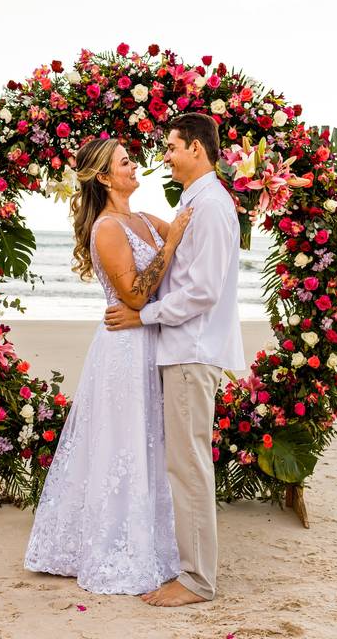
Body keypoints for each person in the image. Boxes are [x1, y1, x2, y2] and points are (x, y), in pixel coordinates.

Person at [24, 138, 193, 595]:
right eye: (124, 162)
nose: (134, 165)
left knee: (150, 442)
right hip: (123, 349)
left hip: (152, 338)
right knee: (122, 443)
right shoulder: (107, 228)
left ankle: (155, 542)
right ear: (103, 177)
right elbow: (135, 295)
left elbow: (190, 239)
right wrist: (172, 240)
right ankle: (110, 547)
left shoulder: (142, 219)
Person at [104, 113, 244, 606]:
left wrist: (145, 317)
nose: (163, 156)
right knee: (183, 464)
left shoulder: (210, 207)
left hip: (191, 349)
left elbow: (202, 291)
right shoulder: (193, 201)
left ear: (197, 151)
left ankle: (196, 581)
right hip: (182, 349)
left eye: (171, 147)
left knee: (188, 467)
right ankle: (191, 569)